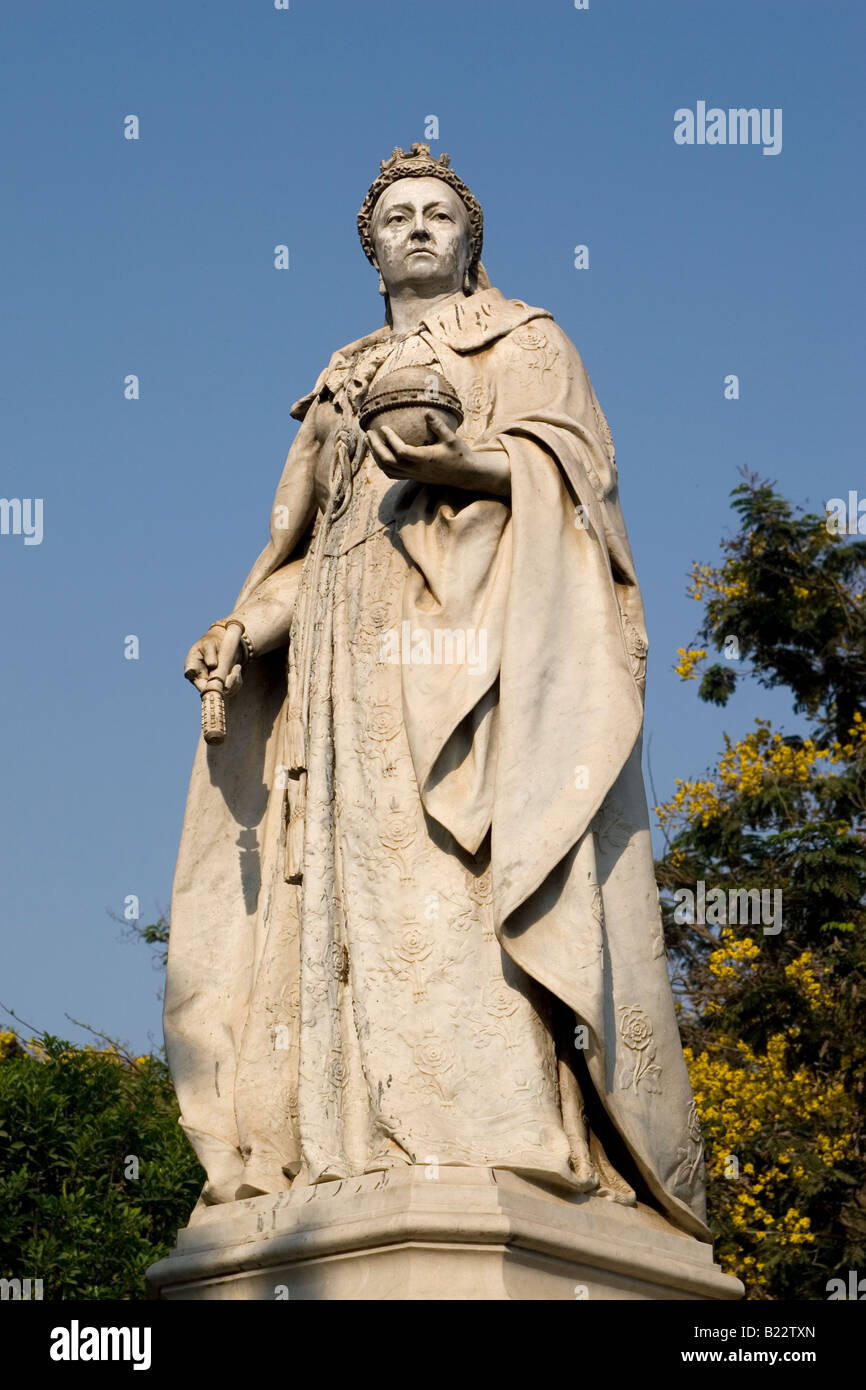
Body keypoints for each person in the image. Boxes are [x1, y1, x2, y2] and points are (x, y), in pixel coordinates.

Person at [169, 143, 709, 1241]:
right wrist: (238, 629)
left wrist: (454, 460)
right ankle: (347, 1144)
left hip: (466, 660)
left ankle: (492, 1130)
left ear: (470, 238)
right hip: (337, 670)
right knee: (338, 912)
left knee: (451, 888)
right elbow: (298, 554)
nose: (417, 227)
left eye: (438, 214)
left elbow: (576, 486)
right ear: (368, 245)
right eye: (396, 216)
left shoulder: (525, 341)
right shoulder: (338, 379)